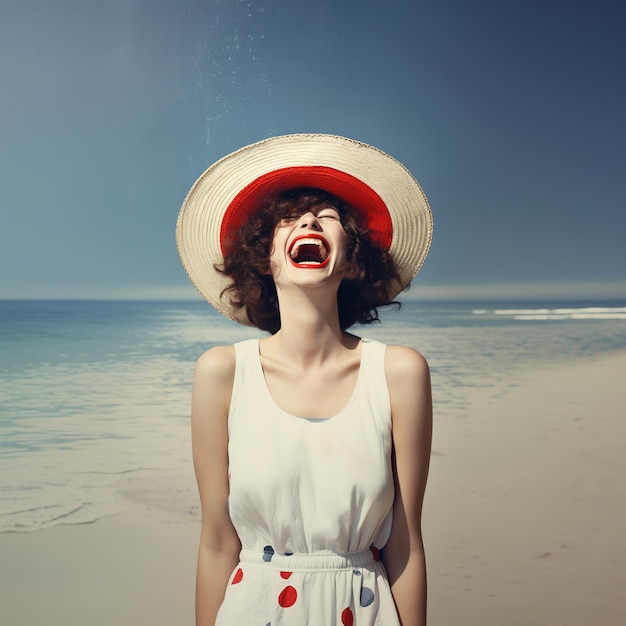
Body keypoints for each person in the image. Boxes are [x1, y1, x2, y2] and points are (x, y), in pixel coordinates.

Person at [176, 134, 434, 625]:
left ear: (352, 258)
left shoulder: (399, 372)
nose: (310, 222)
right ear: (263, 256)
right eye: (288, 219)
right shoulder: (222, 373)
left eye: (329, 217)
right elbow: (216, 542)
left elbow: (405, 545)